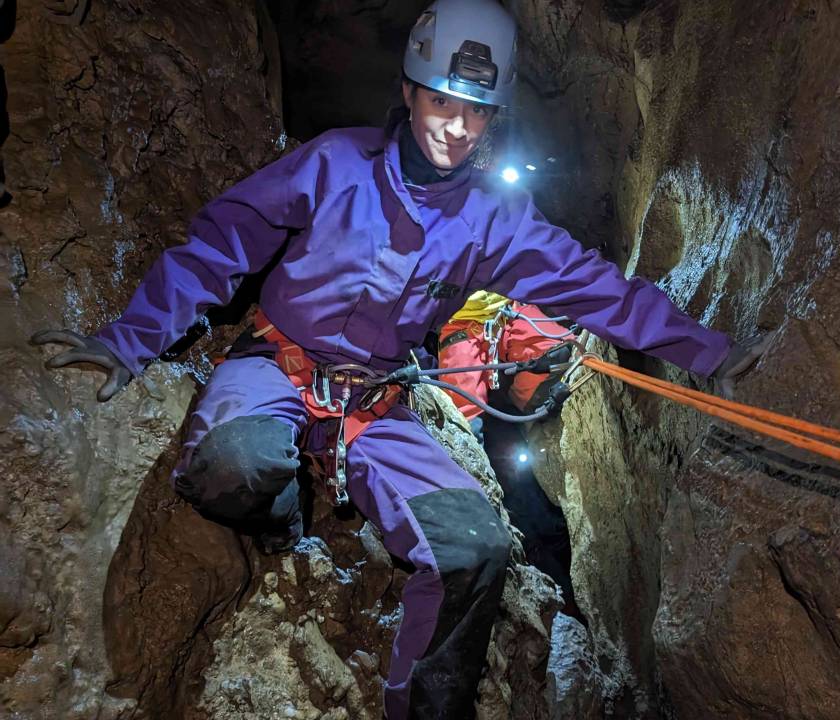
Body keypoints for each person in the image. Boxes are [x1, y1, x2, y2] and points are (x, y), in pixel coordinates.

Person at [31, 0, 768, 716]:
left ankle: (420, 707)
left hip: (376, 403)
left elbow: (602, 292)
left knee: (475, 548)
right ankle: (294, 513)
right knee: (236, 465)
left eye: (477, 111)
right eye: (444, 100)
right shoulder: (333, 163)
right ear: (410, 91)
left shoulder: (496, 221)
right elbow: (221, 244)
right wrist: (125, 341)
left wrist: (711, 354)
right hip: (277, 364)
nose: (457, 126)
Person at [436, 290, 572, 433]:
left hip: (506, 308)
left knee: (557, 354)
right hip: (458, 323)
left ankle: (527, 423)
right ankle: (479, 446)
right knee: (463, 416)